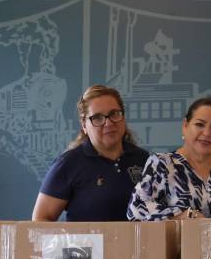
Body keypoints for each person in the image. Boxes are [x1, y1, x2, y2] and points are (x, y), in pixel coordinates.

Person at [33, 85, 148, 221]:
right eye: (97, 117)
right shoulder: (68, 164)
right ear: (84, 125)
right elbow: (40, 219)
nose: (108, 123)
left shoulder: (145, 160)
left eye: (114, 113)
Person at [128, 97, 211, 220]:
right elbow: (136, 208)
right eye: (200, 125)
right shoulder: (162, 164)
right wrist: (187, 215)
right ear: (185, 126)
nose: (207, 133)